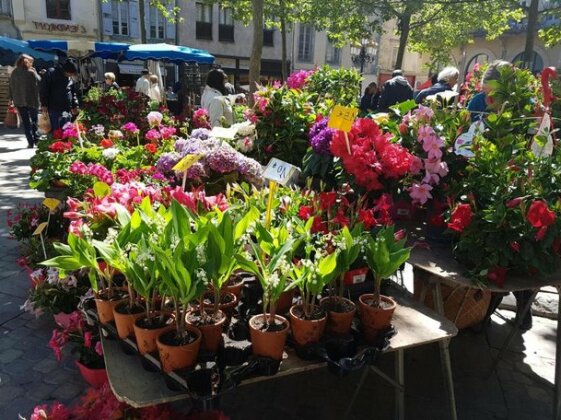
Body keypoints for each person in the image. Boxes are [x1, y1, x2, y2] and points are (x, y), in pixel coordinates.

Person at [8, 54, 41, 148]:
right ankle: (37, 140)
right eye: (30, 62)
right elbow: (40, 82)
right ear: (27, 63)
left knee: (26, 122)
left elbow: (10, 87)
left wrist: (10, 99)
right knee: (34, 120)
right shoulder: (31, 72)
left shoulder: (14, 72)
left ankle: (30, 142)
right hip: (32, 100)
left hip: (19, 101)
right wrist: (35, 72)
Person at [39, 60, 79, 131]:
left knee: (66, 130)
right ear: (65, 71)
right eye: (70, 74)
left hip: (66, 108)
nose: (70, 75)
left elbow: (72, 92)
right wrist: (44, 105)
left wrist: (74, 105)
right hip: (54, 108)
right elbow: (44, 90)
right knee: (56, 131)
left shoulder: (69, 78)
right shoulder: (51, 73)